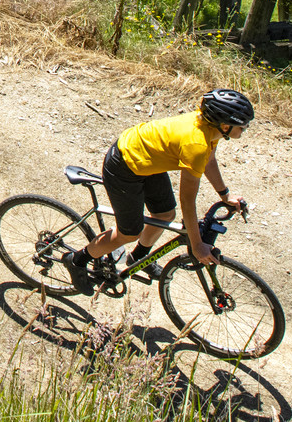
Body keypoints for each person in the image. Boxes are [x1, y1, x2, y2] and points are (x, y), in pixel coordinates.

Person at [70, 88, 253, 292]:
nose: (245, 128)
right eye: (242, 126)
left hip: (148, 158)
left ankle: (138, 257)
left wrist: (225, 195)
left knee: (165, 214)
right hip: (124, 164)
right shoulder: (196, 144)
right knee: (129, 233)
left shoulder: (211, 128)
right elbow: (188, 202)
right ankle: (78, 259)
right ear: (226, 125)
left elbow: (210, 161)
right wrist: (197, 244)